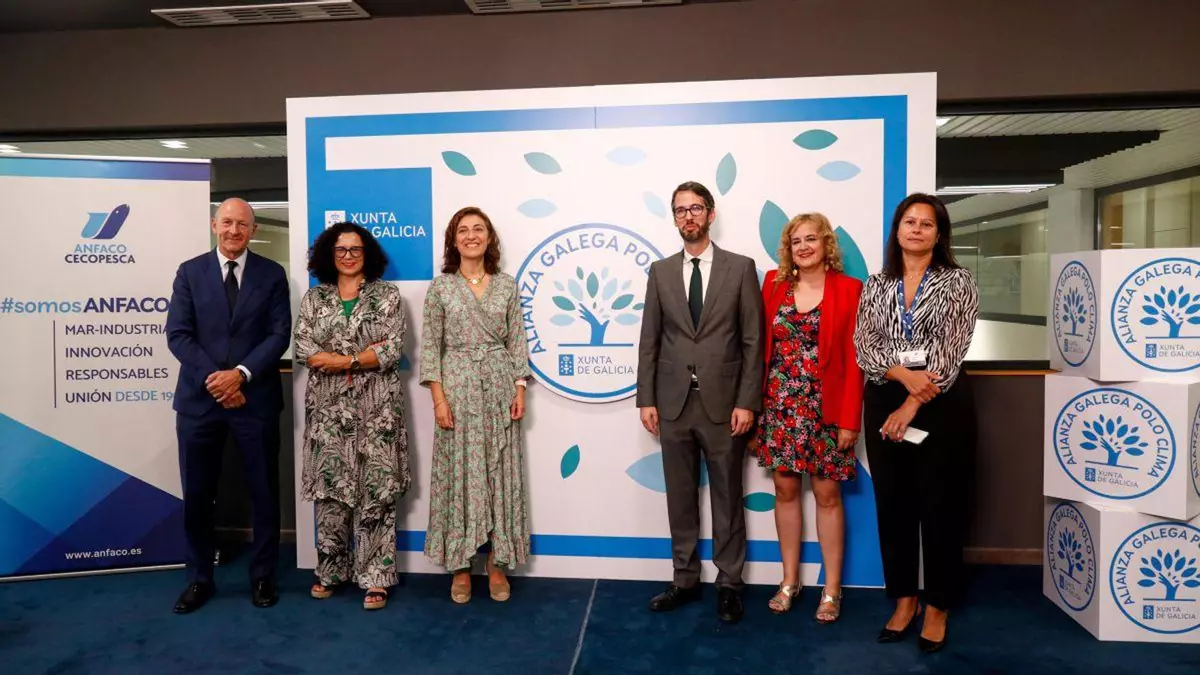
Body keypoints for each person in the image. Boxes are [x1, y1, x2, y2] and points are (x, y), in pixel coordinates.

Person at [854, 193, 978, 653]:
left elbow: (951, 350)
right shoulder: (877, 283)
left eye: (927, 223)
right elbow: (864, 344)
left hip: (940, 404)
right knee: (894, 505)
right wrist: (903, 376)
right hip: (885, 396)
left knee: (942, 507)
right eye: (910, 222)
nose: (917, 230)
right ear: (898, 229)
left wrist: (910, 405)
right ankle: (904, 600)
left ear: (939, 233)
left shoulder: (958, 281)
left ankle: (938, 605)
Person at [636, 181, 764, 623]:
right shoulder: (660, 272)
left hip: (725, 405)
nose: (687, 216)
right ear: (674, 218)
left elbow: (753, 341)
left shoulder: (740, 268)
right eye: (680, 210)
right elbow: (649, 340)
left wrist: (747, 401)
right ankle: (685, 578)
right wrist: (646, 398)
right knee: (680, 497)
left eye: (695, 208)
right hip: (672, 403)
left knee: (728, 496)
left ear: (711, 214)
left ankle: (729, 584)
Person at [165, 198, 291, 613]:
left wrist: (240, 375)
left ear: (254, 230)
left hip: (255, 400)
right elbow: (178, 334)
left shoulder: (272, 274)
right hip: (200, 403)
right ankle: (199, 579)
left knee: (264, 493)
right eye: (227, 223)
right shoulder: (189, 272)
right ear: (214, 225)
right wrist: (218, 380)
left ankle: (263, 577)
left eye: (242, 224)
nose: (234, 230)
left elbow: (279, 335)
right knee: (198, 494)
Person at [294, 222, 410, 611]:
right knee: (331, 490)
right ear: (329, 255)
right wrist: (360, 356)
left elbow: (391, 348)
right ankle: (330, 570)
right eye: (341, 250)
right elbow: (303, 346)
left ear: (367, 254)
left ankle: (376, 577)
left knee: (377, 491)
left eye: (355, 249)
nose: (348, 256)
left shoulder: (387, 296)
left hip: (377, 411)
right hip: (327, 412)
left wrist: (344, 361)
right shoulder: (314, 298)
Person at [754, 213, 863, 623]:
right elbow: (758, 349)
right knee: (784, 491)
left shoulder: (850, 289)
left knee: (827, 496)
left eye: (811, 239)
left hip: (827, 410)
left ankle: (831, 589)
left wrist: (850, 420)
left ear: (826, 244)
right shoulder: (773, 284)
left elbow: (854, 361)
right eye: (795, 241)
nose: (803, 247)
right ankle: (789, 581)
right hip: (780, 406)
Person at [420, 206, 530, 604]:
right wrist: (439, 399)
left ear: (489, 237)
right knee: (460, 476)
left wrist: (519, 389)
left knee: (500, 475)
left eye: (478, 229)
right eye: (463, 230)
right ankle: (461, 565)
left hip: (500, 388)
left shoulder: (507, 286)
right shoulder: (441, 288)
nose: (471, 236)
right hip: (457, 390)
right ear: (453, 240)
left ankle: (498, 563)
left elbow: (517, 340)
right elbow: (430, 347)